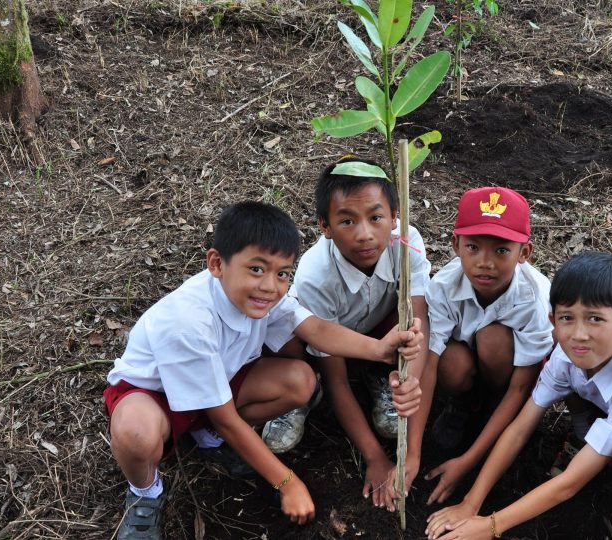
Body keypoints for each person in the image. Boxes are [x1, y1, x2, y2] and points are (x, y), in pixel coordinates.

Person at [104, 201, 423, 540]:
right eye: (256, 269)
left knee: (300, 381)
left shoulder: (264, 298)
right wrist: (287, 482)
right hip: (155, 396)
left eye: (283, 273)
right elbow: (227, 418)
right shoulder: (188, 323)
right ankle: (145, 493)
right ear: (216, 263)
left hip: (217, 385)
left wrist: (378, 349)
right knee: (137, 433)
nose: (270, 286)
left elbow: (316, 329)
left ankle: (205, 435)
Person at [425, 251, 612, 540]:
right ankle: (591, 439)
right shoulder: (566, 357)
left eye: (595, 319)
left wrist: (490, 526)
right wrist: (471, 503)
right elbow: (519, 428)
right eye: (567, 318)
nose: (579, 334)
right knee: (573, 379)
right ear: (553, 320)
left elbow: (569, 485)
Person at [262, 157, 433, 512]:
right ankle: (305, 395)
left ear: (395, 215)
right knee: (287, 338)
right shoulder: (315, 275)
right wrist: (373, 457)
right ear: (325, 226)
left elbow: (419, 318)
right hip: (330, 343)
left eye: (376, 217)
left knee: (392, 417)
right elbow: (338, 378)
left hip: (381, 335)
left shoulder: (407, 243)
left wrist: (410, 382)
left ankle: (381, 378)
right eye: (347, 221)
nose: (365, 234)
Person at [422, 186, 554, 506]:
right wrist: (412, 453)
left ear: (524, 253)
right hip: (466, 367)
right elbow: (429, 361)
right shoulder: (442, 287)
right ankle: (464, 406)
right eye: (473, 247)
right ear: (456, 246)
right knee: (449, 362)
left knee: (492, 338)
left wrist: (467, 460)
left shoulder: (535, 299)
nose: (485, 263)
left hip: (506, 380)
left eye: (501, 250)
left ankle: (493, 413)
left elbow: (522, 388)